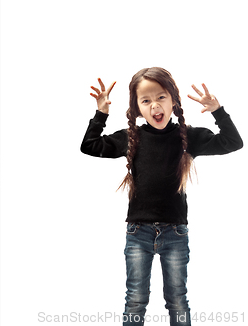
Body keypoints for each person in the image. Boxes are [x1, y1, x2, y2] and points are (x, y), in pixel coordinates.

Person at [80, 67, 243, 326]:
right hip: (138, 233)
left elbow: (233, 142)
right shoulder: (131, 138)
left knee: (177, 299)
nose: (155, 105)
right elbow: (89, 146)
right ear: (137, 108)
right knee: (135, 299)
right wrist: (101, 113)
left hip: (175, 233)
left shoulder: (189, 137)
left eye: (161, 97)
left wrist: (217, 111)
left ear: (173, 101)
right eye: (145, 100)